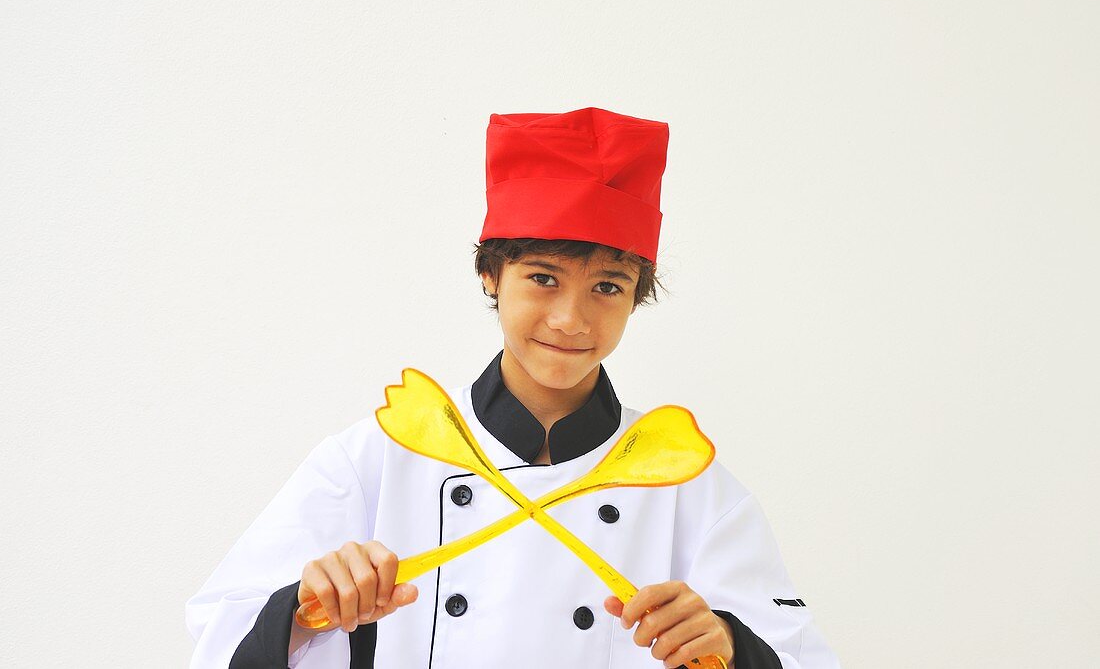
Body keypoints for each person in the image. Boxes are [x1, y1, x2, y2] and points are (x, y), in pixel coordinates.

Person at [186, 107, 841, 668]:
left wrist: (729, 644)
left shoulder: (684, 480)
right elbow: (217, 637)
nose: (570, 319)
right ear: (491, 274)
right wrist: (303, 611)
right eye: (543, 278)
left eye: (607, 286)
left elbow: (800, 653)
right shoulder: (374, 460)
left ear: (636, 297)